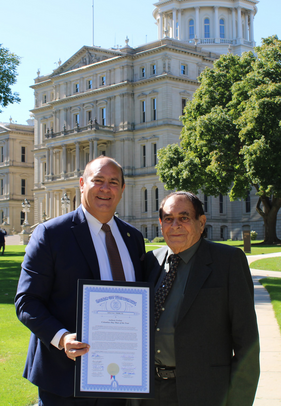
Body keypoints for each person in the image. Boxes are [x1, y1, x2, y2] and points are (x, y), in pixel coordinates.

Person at [15, 156, 145, 406]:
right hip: (65, 379)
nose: (105, 188)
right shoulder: (51, 234)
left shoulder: (133, 238)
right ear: (82, 184)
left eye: (113, 182)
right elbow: (27, 302)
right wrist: (62, 338)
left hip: (122, 380)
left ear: (122, 189)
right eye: (98, 180)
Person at [140, 191, 260, 406]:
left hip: (204, 393)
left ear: (201, 223)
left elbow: (247, 345)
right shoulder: (150, 262)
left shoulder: (228, 262)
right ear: (161, 224)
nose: (175, 225)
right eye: (168, 218)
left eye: (184, 218)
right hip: (150, 392)